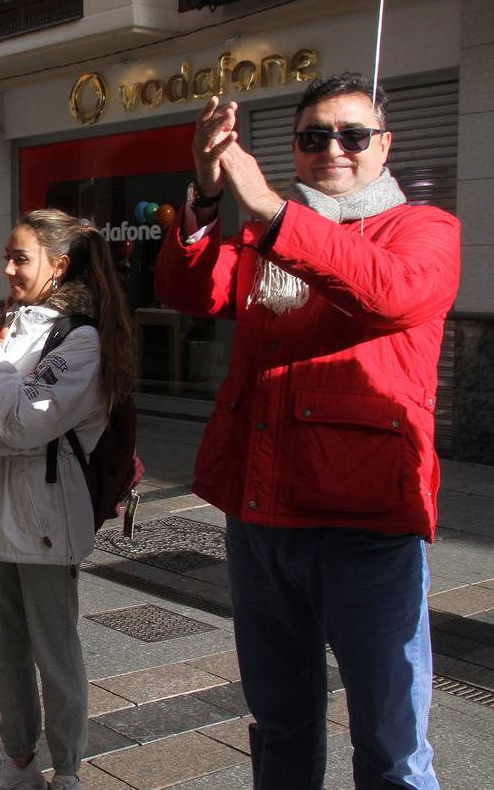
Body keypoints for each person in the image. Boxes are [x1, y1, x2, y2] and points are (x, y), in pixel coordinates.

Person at [155, 74, 460, 790]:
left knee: (390, 744)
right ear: (293, 149)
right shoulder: (269, 234)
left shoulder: (422, 228)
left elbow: (389, 292)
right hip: (260, 515)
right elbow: (188, 291)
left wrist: (265, 208)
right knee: (280, 721)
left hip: (364, 524)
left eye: (352, 135)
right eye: (313, 136)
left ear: (384, 146)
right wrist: (204, 193)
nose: (334, 149)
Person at [0, 212, 137, 790]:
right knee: (0, 649)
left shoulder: (78, 339)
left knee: (55, 654)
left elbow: (20, 423)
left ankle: (68, 772)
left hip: (45, 512)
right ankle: (19, 761)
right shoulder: (10, 325)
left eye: (21, 258)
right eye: (7, 255)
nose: (7, 269)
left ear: (59, 265)